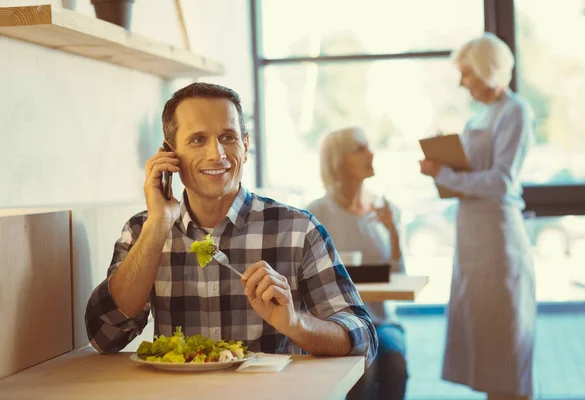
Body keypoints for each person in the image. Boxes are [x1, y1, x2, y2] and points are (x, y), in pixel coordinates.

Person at [84, 82, 378, 367]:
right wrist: (158, 224)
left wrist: (295, 323)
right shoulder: (143, 230)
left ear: (245, 145)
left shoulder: (299, 230)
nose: (217, 154)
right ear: (169, 154)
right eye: (198, 140)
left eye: (227, 137)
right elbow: (104, 336)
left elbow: (363, 336)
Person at [419, 32, 536, 400]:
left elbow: (501, 182)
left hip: (497, 243)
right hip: (473, 241)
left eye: (466, 73)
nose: (461, 81)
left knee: (505, 349)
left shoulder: (516, 112)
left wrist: (444, 173)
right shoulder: (485, 114)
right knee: (487, 351)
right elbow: (474, 174)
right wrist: (447, 158)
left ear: (487, 70)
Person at [306, 126, 408, 400]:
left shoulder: (386, 210)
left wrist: (394, 231)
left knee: (396, 367)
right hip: (336, 321)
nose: (371, 154)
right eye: (360, 149)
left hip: (382, 320)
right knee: (364, 372)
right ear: (339, 162)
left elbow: (399, 275)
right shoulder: (316, 213)